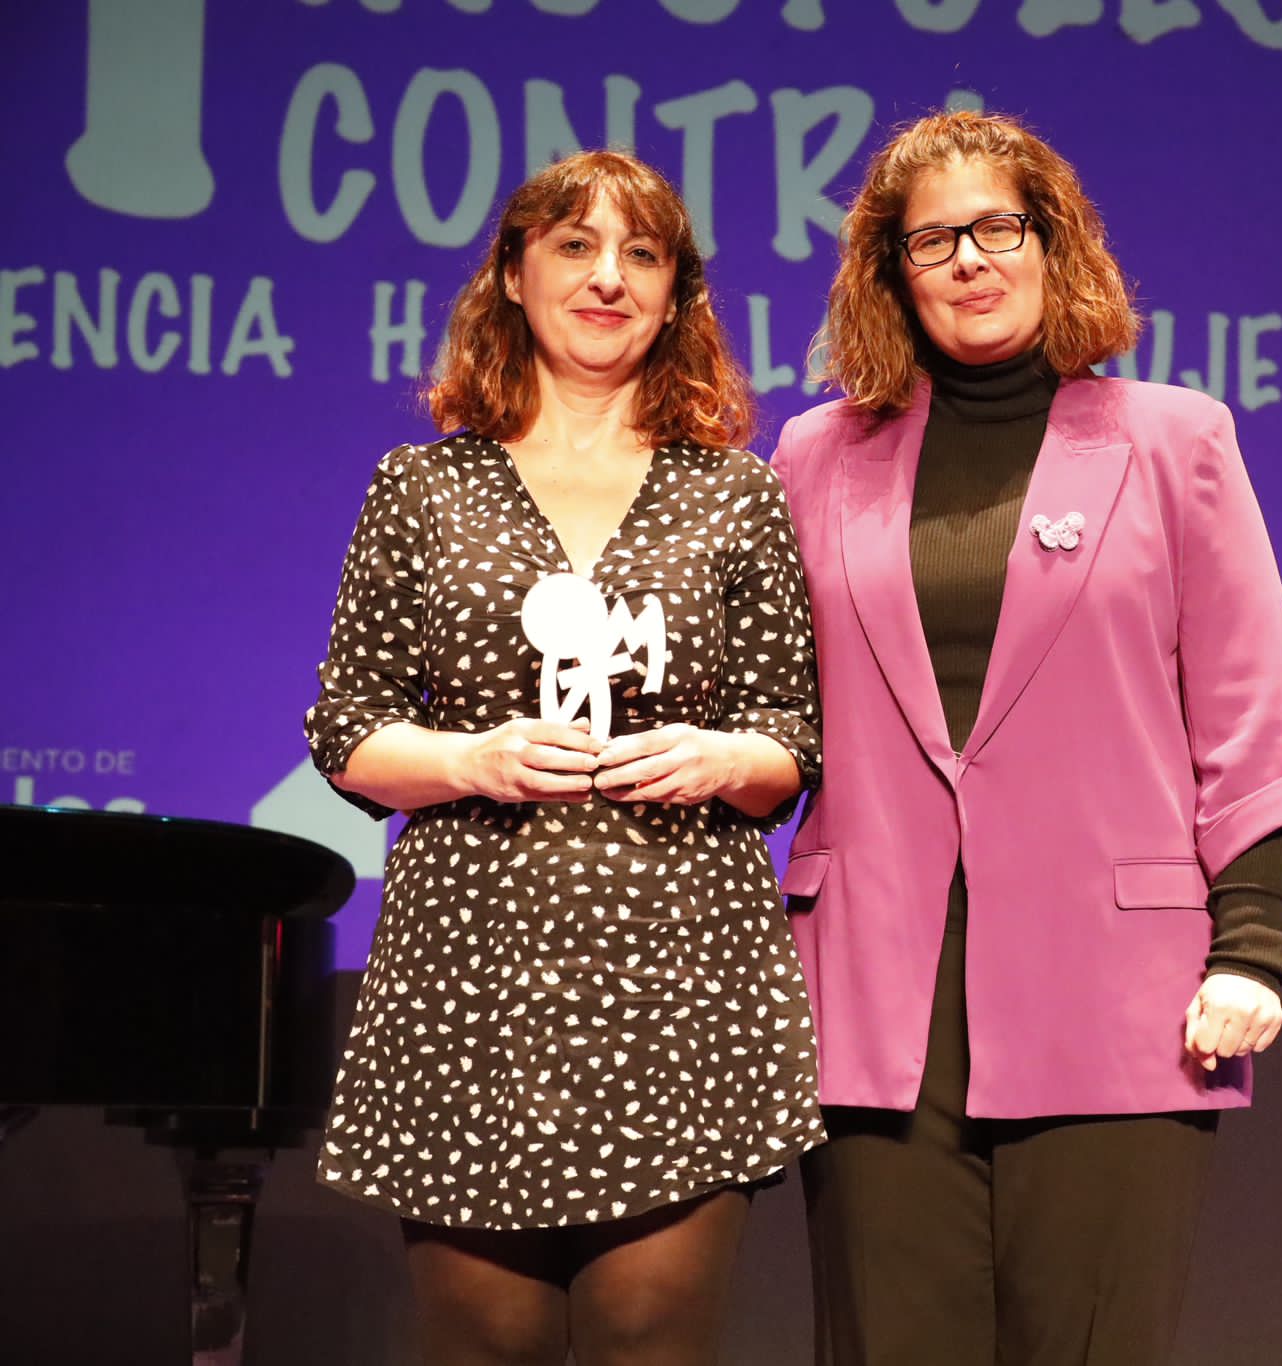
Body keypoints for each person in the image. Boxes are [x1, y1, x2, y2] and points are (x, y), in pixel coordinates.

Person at [768, 111, 1282, 1365]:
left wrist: (1249, 948)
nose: (969, 259)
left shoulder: (1174, 439)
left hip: (1120, 994)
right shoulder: (814, 453)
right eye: (931, 241)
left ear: (1050, 241)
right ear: (888, 273)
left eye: (997, 227)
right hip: (875, 999)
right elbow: (772, 706)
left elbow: (1245, 711)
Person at [305, 149, 824, 1366]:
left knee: (650, 1333)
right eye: (575, 247)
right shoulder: (421, 488)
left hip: (678, 970)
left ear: (677, 292)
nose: (607, 279)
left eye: (641, 255)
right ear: (513, 273)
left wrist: (721, 756)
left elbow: (789, 742)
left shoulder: (735, 493)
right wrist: (471, 759)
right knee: (485, 1341)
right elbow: (349, 731)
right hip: (470, 974)